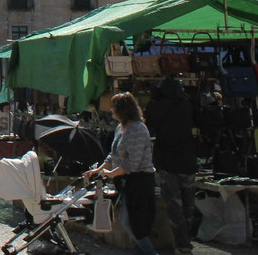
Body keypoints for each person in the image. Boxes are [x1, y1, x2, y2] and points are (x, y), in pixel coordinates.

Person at [84, 92, 157, 255]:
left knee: (135, 223)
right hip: (126, 182)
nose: (111, 110)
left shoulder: (137, 129)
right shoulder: (120, 128)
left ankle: (150, 252)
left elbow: (133, 162)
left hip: (140, 181)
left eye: (114, 107)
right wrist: (100, 169)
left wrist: (111, 173)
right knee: (127, 221)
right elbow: (114, 154)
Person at [145, 78, 196, 254]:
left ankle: (183, 242)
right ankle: (186, 239)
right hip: (187, 159)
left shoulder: (158, 107)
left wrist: (154, 99)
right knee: (188, 203)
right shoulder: (188, 105)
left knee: (174, 205)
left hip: (167, 160)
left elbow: (149, 122)